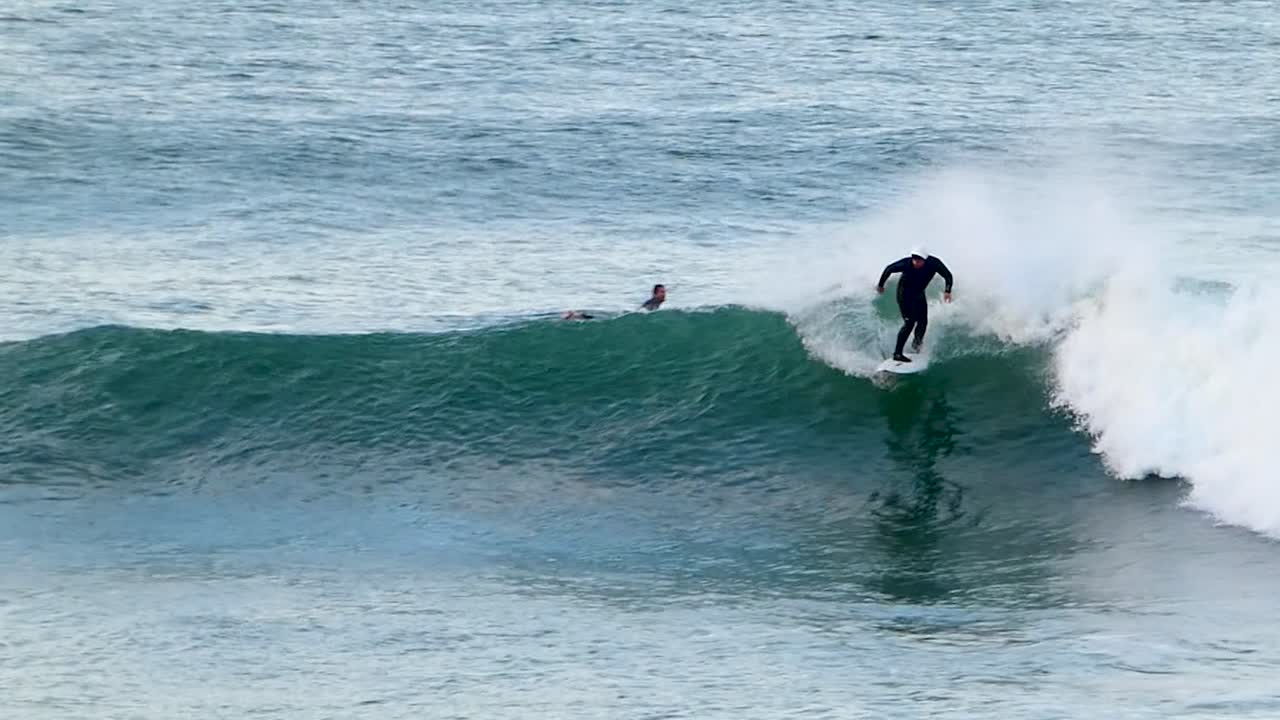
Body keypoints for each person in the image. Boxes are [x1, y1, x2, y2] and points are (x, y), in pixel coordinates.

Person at [876, 247, 953, 362]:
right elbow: (889, 269)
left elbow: (948, 275)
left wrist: (947, 291)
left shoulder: (934, 263)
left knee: (923, 322)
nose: (915, 262)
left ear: (925, 259)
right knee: (909, 323)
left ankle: (916, 345)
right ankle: (897, 353)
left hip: (919, 295)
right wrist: (881, 284)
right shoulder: (906, 263)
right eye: (914, 259)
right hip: (904, 296)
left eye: (919, 260)